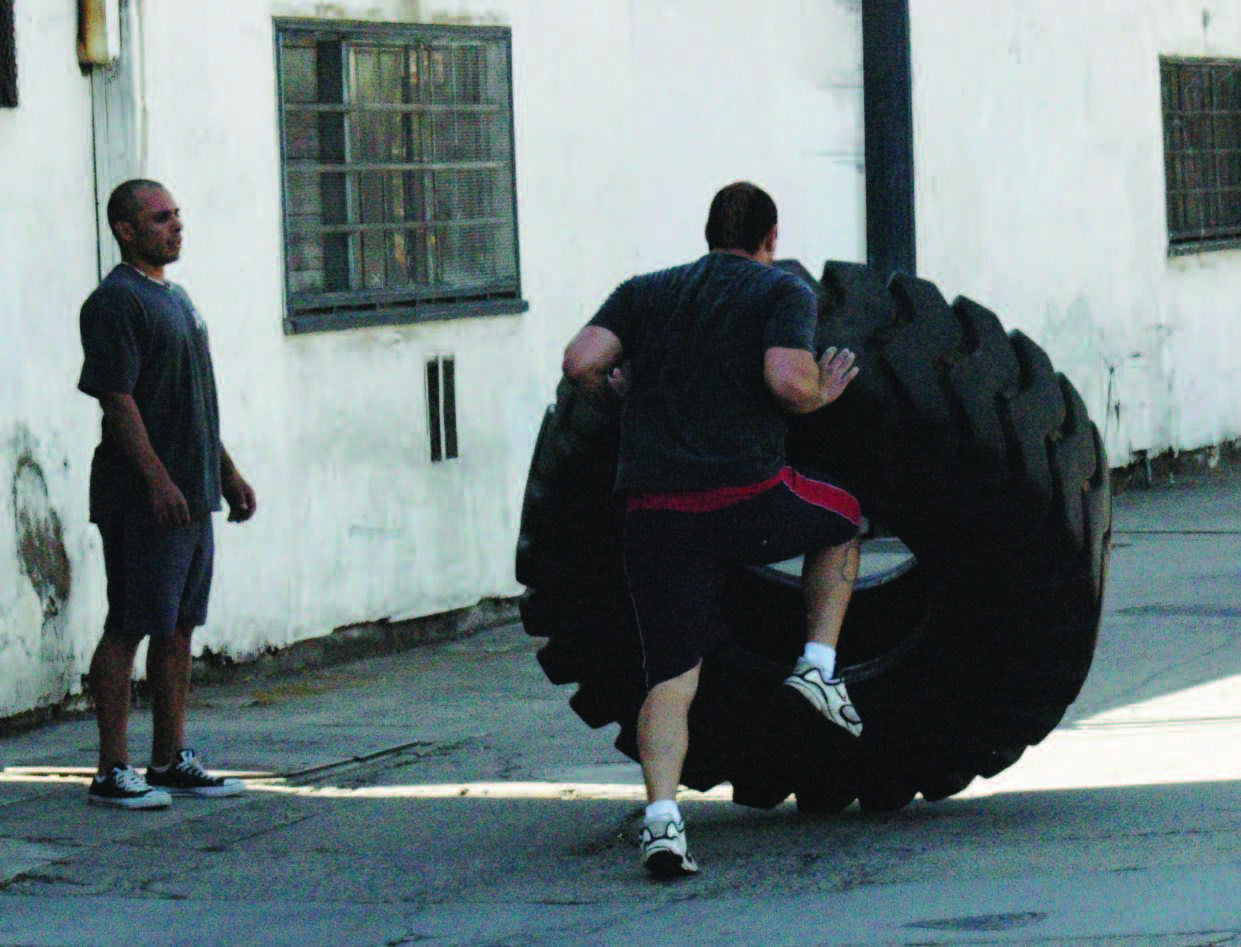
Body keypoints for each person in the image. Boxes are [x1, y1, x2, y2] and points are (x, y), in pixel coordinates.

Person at [562, 181, 863, 878]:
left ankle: (664, 824)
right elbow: (787, 381)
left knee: (670, 679)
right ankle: (817, 668)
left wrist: (612, 396)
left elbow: (580, 361)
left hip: (656, 517)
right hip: (746, 500)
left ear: (708, 233)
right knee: (843, 518)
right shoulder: (779, 289)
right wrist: (823, 391)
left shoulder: (645, 291)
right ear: (770, 238)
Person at [78, 179, 257, 809]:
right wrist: (156, 479)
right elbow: (117, 398)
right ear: (126, 230)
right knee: (129, 623)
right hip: (142, 498)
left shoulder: (177, 299)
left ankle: (169, 759)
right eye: (160, 218)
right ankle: (111, 770)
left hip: (192, 493)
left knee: (178, 627)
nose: (176, 226)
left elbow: (194, 399)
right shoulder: (115, 301)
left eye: (177, 215)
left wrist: (226, 473)